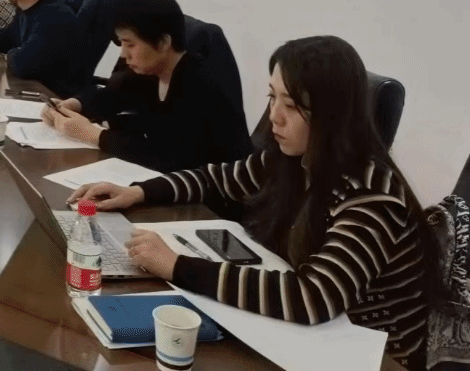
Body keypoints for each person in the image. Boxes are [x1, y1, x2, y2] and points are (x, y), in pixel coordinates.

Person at [69, 36, 428, 369]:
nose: (274, 116)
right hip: (308, 338)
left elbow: (313, 297)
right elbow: (216, 179)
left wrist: (176, 266)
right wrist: (139, 191)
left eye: (291, 105)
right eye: (273, 97)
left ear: (332, 116)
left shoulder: (373, 195)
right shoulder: (294, 158)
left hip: (374, 356)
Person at [42, 0, 252, 171]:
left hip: (211, 194)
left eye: (130, 44)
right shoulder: (151, 71)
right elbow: (114, 96)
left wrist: (94, 135)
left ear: (163, 43)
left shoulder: (200, 84)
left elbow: (171, 157)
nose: (124, 54)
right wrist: (75, 105)